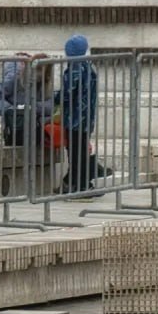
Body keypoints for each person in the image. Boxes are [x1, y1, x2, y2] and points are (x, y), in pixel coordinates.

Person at [59, 34, 112, 194]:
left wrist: (55, 97)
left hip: (74, 118)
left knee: (76, 153)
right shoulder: (88, 67)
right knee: (80, 150)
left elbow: (68, 93)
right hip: (86, 117)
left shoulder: (75, 68)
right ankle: (77, 183)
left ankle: (80, 185)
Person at [0, 53, 56, 148]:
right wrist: (13, 111)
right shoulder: (14, 77)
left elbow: (51, 105)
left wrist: (34, 108)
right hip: (15, 130)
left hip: (34, 132)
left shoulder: (44, 81)